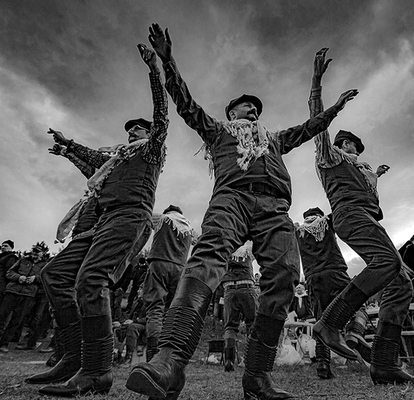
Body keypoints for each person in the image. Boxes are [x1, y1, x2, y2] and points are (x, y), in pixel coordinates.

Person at [126, 24, 358, 400]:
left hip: (275, 208)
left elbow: (309, 128)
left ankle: (257, 377)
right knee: (205, 261)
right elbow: (186, 105)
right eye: (246, 105)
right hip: (231, 199)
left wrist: (334, 108)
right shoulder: (219, 132)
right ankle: (169, 361)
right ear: (231, 111)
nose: (253, 109)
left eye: (256, 108)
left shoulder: (274, 140)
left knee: (285, 275)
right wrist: (168, 61)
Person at [29, 43, 168, 397]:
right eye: (130, 130)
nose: (132, 132)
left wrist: (155, 71)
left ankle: (97, 371)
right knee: (54, 274)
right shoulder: (116, 161)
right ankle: (73, 355)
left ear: (150, 133)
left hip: (130, 218)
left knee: (91, 280)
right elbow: (92, 158)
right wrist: (69, 146)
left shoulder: (153, 151)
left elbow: (161, 113)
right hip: (102, 223)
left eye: (139, 129)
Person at [307, 48, 414, 385]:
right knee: (387, 263)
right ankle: (330, 322)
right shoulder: (329, 157)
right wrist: (317, 83)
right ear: (340, 144)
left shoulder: (362, 172)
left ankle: (384, 363)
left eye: (355, 145)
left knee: (401, 282)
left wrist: (376, 175)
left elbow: (369, 192)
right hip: (349, 215)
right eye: (347, 142)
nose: (352, 147)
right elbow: (318, 125)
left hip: (367, 218)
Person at [294, 206, 371, 379]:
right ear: (319, 215)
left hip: (313, 279)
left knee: (322, 323)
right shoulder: (327, 222)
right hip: (335, 272)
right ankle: (354, 331)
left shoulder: (298, 232)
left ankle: (323, 365)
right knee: (358, 304)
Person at [142, 205, 196, 362]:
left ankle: (153, 354)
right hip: (180, 269)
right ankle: (167, 354)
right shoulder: (188, 227)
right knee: (171, 311)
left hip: (159, 264)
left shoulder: (162, 218)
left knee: (155, 308)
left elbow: (143, 218)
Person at [0, 242, 47, 353]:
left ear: (43, 253)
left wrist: (35, 278)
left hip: (28, 295)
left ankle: (3, 344)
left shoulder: (45, 265)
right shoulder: (22, 261)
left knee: (16, 320)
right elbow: (9, 273)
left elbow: (46, 278)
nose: (35, 253)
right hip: (12, 292)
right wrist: (19, 277)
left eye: (38, 252)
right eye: (34, 251)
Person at [219, 242, 258, 372]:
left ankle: (229, 361)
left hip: (229, 288)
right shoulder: (248, 249)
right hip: (246, 285)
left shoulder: (225, 248)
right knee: (252, 323)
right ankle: (252, 360)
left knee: (230, 327)